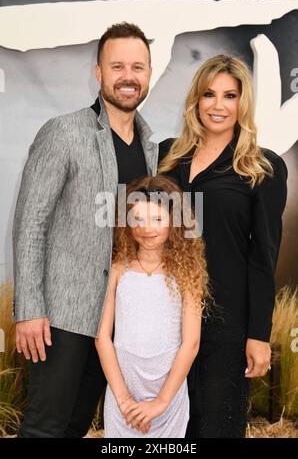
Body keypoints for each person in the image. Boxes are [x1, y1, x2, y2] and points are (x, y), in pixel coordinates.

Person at [12, 22, 158, 438]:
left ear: (149, 73)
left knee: (76, 426)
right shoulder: (63, 132)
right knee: (46, 426)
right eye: (117, 66)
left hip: (113, 322)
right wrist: (30, 309)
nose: (128, 76)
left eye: (138, 67)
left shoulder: (151, 148)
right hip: (60, 315)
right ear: (98, 72)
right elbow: (31, 222)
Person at [158, 54, 288, 438]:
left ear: (242, 103)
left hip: (226, 322)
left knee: (215, 427)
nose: (218, 105)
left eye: (229, 96)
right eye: (209, 94)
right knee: (168, 432)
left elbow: (264, 255)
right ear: (195, 100)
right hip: (166, 318)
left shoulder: (262, 166)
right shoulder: (167, 157)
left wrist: (259, 334)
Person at [96, 175, 209, 437]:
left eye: (157, 219)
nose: (148, 228)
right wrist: (124, 400)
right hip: (123, 391)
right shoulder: (116, 269)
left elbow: (191, 343)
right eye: (138, 220)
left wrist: (160, 403)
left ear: (175, 222)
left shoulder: (187, 272)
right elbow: (102, 337)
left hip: (168, 395)